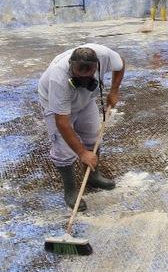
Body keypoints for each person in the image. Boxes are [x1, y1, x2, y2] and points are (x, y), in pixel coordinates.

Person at [38, 44, 125, 210]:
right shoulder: (58, 78)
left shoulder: (104, 56)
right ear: (70, 66)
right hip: (55, 104)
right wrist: (82, 153)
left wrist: (114, 90)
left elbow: (120, 64)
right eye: (79, 77)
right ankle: (71, 191)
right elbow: (62, 123)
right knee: (63, 149)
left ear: (97, 66)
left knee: (93, 135)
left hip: (86, 100)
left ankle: (93, 176)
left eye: (89, 75)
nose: (84, 81)